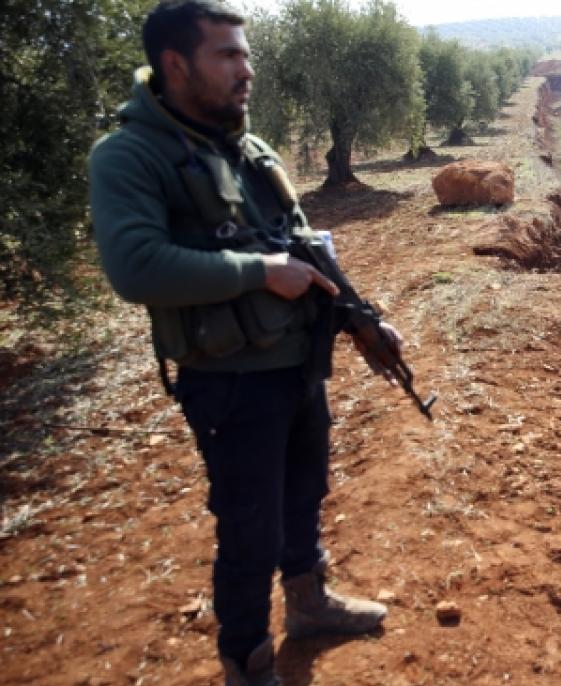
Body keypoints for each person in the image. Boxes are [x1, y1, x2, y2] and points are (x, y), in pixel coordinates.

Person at [88, 2, 395, 684]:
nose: (245, 69)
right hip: (228, 379)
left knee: (304, 491)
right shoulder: (130, 155)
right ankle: (248, 663)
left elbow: (308, 250)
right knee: (249, 527)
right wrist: (260, 272)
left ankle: (310, 605)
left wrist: (361, 316)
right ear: (175, 64)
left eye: (246, 55)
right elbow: (135, 266)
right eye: (227, 54)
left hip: (295, 362)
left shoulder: (251, 151)